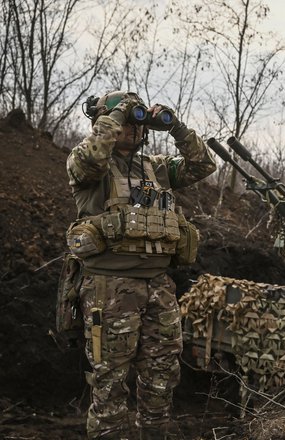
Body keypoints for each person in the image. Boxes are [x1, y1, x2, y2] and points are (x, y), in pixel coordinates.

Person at [66, 91, 217, 439]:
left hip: (158, 286)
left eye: (137, 123)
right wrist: (117, 115)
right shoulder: (88, 164)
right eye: (125, 122)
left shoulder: (157, 168)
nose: (131, 129)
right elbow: (91, 159)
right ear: (106, 122)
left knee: (162, 376)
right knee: (110, 381)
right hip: (109, 288)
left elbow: (202, 165)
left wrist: (176, 126)